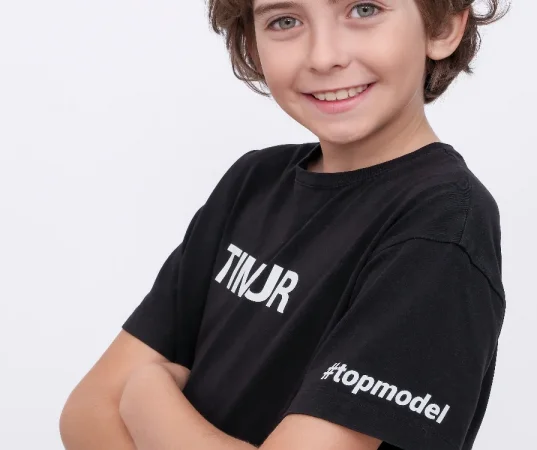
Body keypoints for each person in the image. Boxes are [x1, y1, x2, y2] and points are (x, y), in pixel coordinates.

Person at [60, 0, 510, 449]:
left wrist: (146, 394)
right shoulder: (253, 183)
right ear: (251, 43)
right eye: (285, 21)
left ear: (442, 27)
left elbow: (120, 397)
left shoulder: (441, 227)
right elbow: (85, 415)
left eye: (364, 9)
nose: (323, 56)